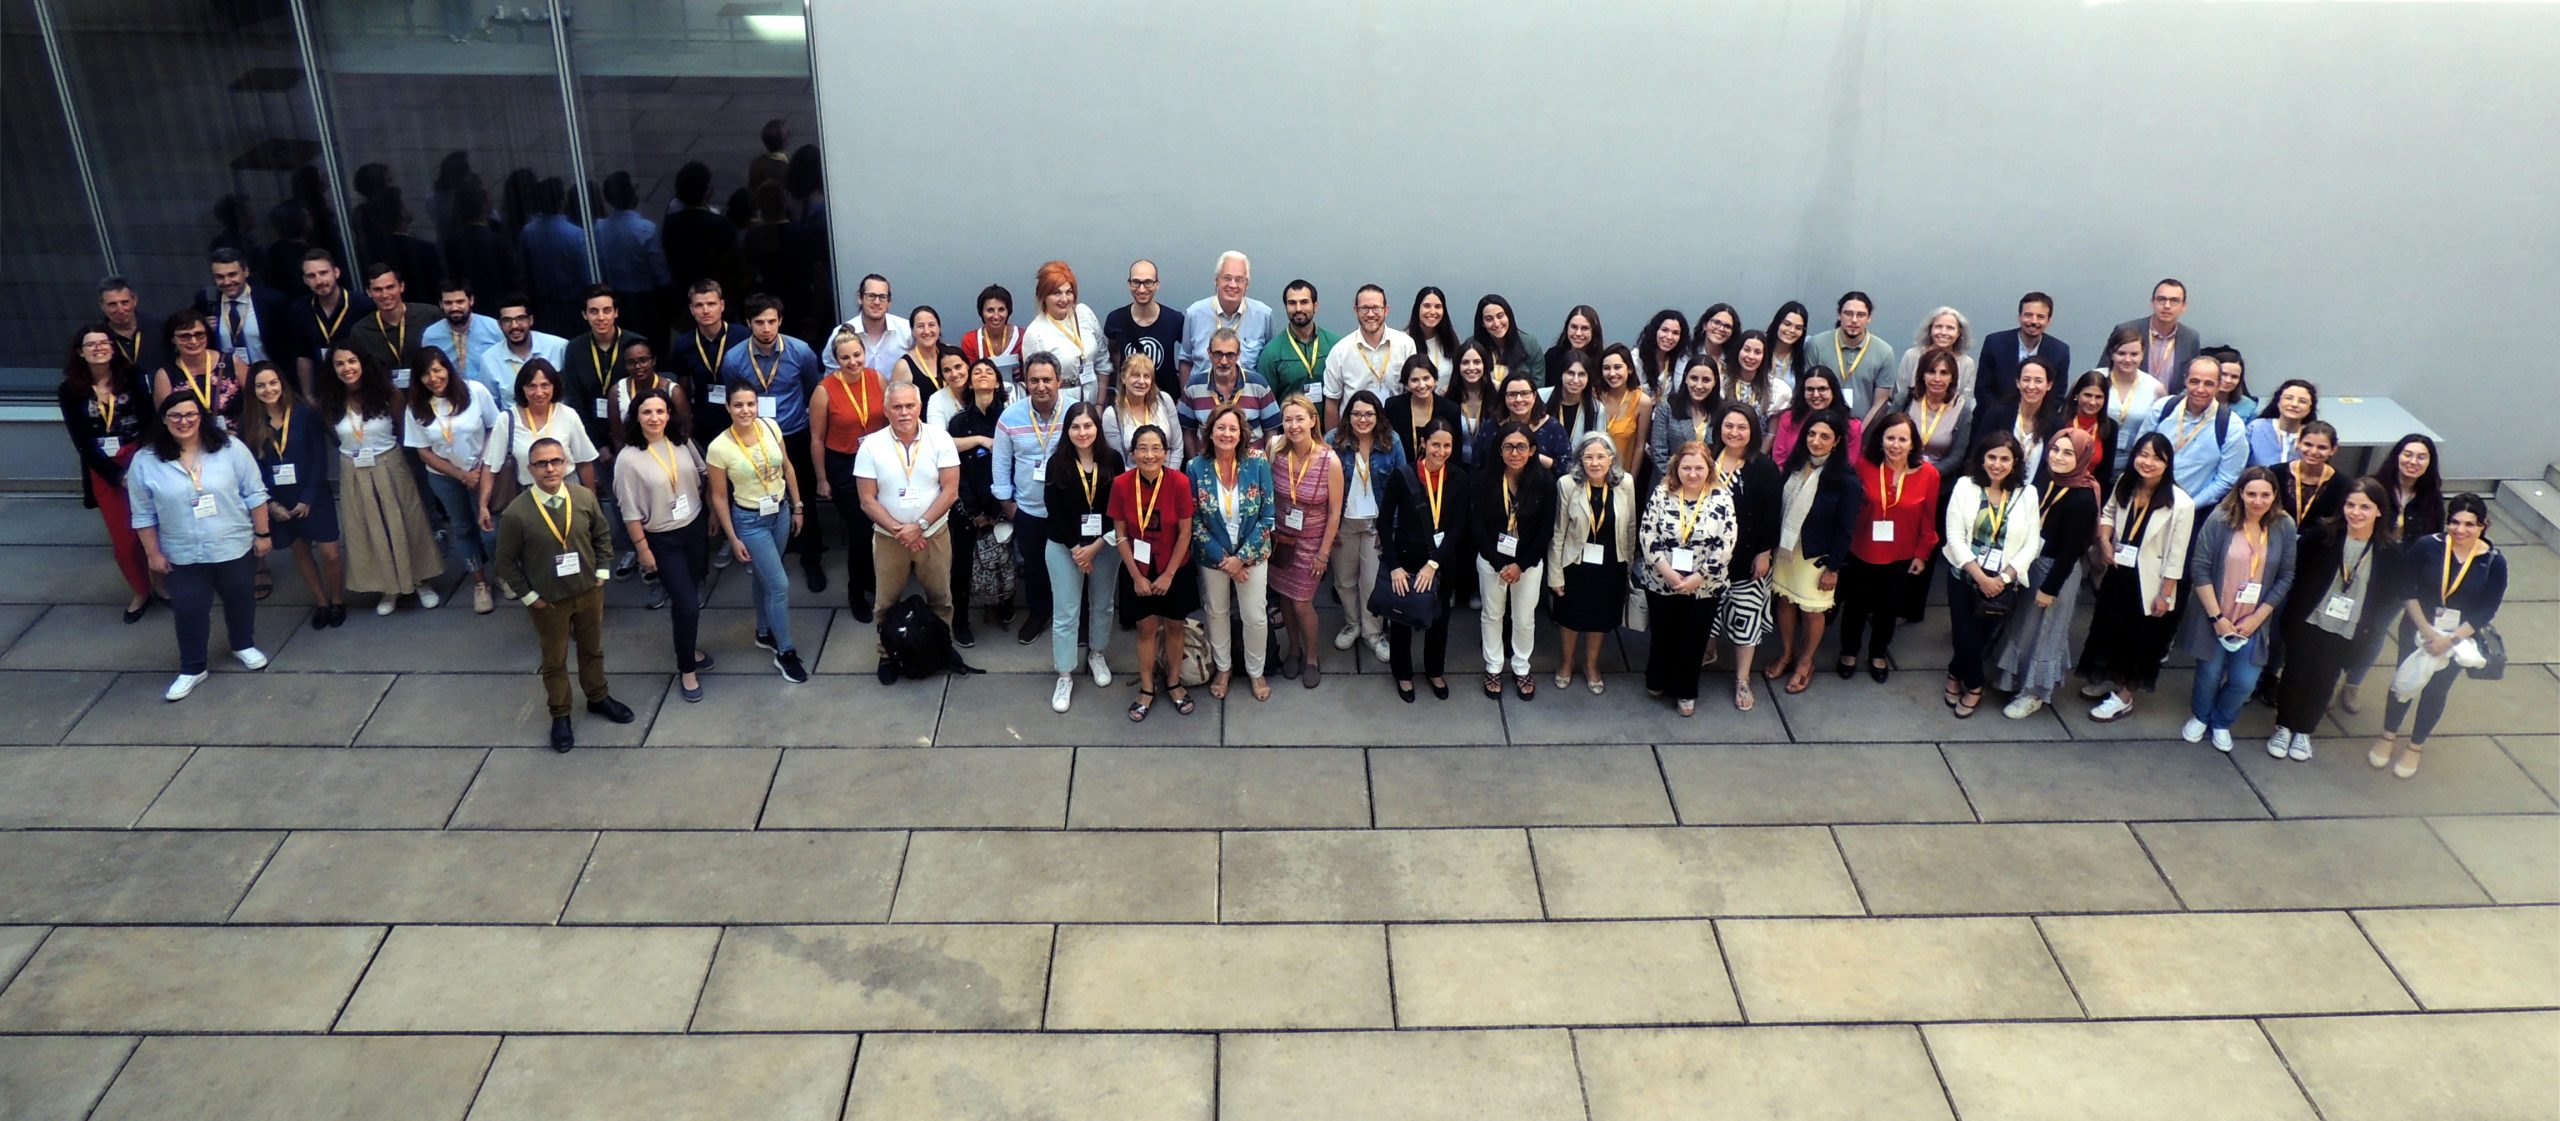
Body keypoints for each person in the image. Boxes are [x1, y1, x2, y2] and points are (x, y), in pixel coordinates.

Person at [127, 390, 272, 701]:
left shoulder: (230, 449)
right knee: (189, 609)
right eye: (175, 416)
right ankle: (193, 668)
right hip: (182, 551)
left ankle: (243, 644)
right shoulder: (146, 460)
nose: (184, 421)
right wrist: (153, 554)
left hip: (232, 544)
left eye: (190, 414)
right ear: (164, 421)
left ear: (201, 417)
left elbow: (255, 494)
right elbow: (142, 514)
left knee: (240, 598)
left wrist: (263, 534)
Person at [491, 436, 633, 750]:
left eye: (555, 461)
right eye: (542, 463)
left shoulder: (583, 497)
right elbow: (505, 562)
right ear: (530, 469)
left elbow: (602, 534)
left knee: (592, 648)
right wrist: (530, 597)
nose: (550, 468)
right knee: (554, 659)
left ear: (565, 464)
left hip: (588, 590)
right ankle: (560, 713)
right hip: (548, 601)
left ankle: (598, 696)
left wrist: (602, 572)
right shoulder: (517, 513)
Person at [2369, 494, 2505, 779]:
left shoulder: (2493, 562)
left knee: (2436, 689)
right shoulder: (2427, 547)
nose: (2461, 530)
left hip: (2459, 637)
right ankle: (2388, 734)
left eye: (2470, 524)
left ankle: (2416, 745)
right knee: (2405, 679)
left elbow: (2486, 609)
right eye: (2455, 522)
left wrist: (2451, 639)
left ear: (2483, 525)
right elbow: (2407, 588)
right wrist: (2428, 632)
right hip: (2419, 626)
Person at [2269, 478, 2398, 761]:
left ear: (2379, 511)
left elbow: (2387, 593)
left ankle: (2304, 731)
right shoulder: (2322, 535)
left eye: (2365, 507)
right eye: (2351, 505)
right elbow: (2297, 571)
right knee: (2295, 674)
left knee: (2325, 678)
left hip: (2348, 627)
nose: (2356, 512)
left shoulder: (2388, 552)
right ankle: (2284, 727)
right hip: (2309, 619)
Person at [2175, 468, 2298, 750]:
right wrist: (2217, 617)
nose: (2258, 501)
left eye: (2265, 495)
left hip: (2253, 620)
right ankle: (2201, 716)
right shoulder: (2220, 520)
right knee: (2209, 673)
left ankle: (2222, 721)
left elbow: (2286, 575)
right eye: (2251, 494)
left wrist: (2258, 617)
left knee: (2245, 681)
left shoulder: (2284, 525)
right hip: (2216, 615)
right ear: (2240, 493)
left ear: (2275, 496)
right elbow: (2200, 568)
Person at [317, 345, 443, 615]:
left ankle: (419, 581)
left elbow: (402, 429)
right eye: (340, 364)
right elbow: (335, 435)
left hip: (389, 462)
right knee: (369, 529)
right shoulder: (328, 401)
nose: (347, 368)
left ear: (362, 362)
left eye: (352, 360)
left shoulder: (388, 394)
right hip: (353, 468)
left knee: (405, 523)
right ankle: (389, 589)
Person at [2078, 433, 2195, 721]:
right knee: (2109, 628)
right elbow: (2107, 513)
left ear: (2168, 464)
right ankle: (2109, 679)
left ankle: (2125, 696)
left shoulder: (2181, 504)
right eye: (2143, 454)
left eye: (2157, 458)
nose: (2148, 462)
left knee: (2138, 639)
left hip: (2151, 581)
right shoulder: (2126, 484)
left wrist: (2165, 594)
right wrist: (2105, 541)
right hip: (2119, 573)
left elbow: (2177, 556)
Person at [855, 382, 963, 683]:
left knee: (941, 597)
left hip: (934, 535)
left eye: (910, 406)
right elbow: (866, 499)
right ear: (886, 409)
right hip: (890, 539)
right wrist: (900, 530)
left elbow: (950, 490)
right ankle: (887, 653)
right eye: (897, 407)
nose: (904, 412)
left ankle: (942, 646)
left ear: (919, 407)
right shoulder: (871, 445)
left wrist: (921, 527)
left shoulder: (940, 439)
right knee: (886, 602)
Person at [1992, 427, 2104, 718]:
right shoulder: (2051, 480)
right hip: (2035, 561)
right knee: (2025, 626)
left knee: (2046, 632)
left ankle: (2034, 694)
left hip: (2056, 573)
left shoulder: (2082, 498)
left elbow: (2071, 551)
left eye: (2068, 453)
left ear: (2082, 457)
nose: (2059, 457)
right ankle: (2014, 678)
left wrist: (2050, 588)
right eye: (2055, 449)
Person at [704, 380, 811, 682]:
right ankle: (786, 652)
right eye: (738, 405)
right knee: (779, 585)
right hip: (750, 521)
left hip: (780, 511)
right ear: (728, 407)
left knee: (765, 578)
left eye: (750, 404)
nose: (745, 410)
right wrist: (733, 536)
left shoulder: (771, 427)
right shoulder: (718, 448)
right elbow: (719, 496)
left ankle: (764, 632)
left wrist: (798, 504)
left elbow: (787, 467)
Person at [615, 389, 715, 702]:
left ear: (669, 414)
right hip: (662, 537)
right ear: (637, 417)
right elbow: (629, 511)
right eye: (647, 412)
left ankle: (689, 646)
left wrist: (710, 513)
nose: (655, 418)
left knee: (693, 593)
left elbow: (703, 475)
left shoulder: (681, 442)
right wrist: (643, 549)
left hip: (694, 528)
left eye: (660, 411)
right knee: (685, 603)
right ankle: (686, 669)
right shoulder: (628, 459)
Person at [719, 295, 825, 589]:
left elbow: (811, 390)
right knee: (766, 492)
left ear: (780, 321)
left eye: (771, 321)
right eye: (759, 322)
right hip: (756, 437)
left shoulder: (800, 351)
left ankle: (811, 559)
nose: (766, 328)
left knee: (802, 497)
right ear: (748, 323)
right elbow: (734, 397)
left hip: (794, 433)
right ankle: (777, 551)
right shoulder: (734, 359)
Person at [1832, 412, 1939, 682]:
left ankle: (1878, 652)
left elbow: (1929, 517)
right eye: (1890, 438)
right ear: (1880, 440)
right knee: (1855, 604)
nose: (1896, 444)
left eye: (1903, 439)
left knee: (1888, 607)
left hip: (1900, 554)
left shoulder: (1929, 474)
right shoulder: (1864, 465)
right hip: (1861, 548)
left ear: (1913, 443)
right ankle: (1849, 651)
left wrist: (1923, 553)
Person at [1940, 433, 2043, 717]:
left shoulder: (2028, 493)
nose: (1997, 464)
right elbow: (1954, 536)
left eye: (2004, 459)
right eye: (1992, 457)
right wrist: (1980, 577)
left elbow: (2032, 543)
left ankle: (1953, 673)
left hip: (2002, 583)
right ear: (1982, 459)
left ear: (2015, 462)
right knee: (1964, 636)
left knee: (1981, 639)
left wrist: (2004, 579)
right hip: (1964, 575)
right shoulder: (1964, 486)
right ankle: (1974, 686)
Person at [61, 326, 159, 621]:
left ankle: (164, 584)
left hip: (139, 456)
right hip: (103, 467)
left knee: (156, 526)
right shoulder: (69, 390)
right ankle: (141, 590)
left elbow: (149, 422)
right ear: (80, 351)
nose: (98, 348)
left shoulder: (132, 376)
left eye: (104, 342)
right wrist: (116, 476)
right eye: (91, 344)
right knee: (124, 539)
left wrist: (138, 465)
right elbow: (82, 442)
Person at [1636, 441, 1738, 716]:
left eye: (1699, 468)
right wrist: (1667, 572)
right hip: (1662, 581)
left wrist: (1699, 577)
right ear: (1676, 468)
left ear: (1709, 469)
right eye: (1686, 468)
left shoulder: (1721, 497)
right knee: (1662, 634)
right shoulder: (1661, 492)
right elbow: (1647, 535)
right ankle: (1656, 679)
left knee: (1693, 639)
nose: (1692, 474)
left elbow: (1726, 543)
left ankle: (1685, 691)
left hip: (1704, 586)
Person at [1765, 410, 1861, 696]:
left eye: (1824, 437)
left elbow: (1846, 529)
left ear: (1837, 442)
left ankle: (1806, 662)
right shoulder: (1795, 466)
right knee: (1784, 603)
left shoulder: (1845, 480)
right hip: (1786, 551)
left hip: (1816, 557)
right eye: (1811, 434)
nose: (1816, 441)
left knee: (1812, 611)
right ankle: (1786, 653)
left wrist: (1834, 567)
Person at [241, 362, 343, 627]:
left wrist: (308, 498)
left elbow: (320, 458)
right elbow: (253, 468)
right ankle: (321, 602)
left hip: (312, 494)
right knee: (300, 552)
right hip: (279, 500)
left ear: (282, 383)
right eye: (261, 385)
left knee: (330, 552)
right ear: (253, 390)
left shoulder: (304, 414)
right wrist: (270, 503)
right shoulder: (250, 423)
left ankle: (337, 600)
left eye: (273, 383)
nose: (268, 389)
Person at [1187, 405, 1277, 701]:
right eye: (1220, 428)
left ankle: (1256, 671)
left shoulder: (1258, 462)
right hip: (1214, 557)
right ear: (1210, 432)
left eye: (1232, 429)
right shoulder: (1195, 467)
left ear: (1242, 435)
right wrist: (1226, 560)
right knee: (1217, 612)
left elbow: (1268, 516)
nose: (1226, 434)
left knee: (1255, 617)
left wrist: (1241, 559)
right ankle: (1223, 668)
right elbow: (1194, 520)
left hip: (1252, 554)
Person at [402, 346, 501, 613]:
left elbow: (494, 427)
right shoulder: (416, 406)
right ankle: (480, 583)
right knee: (463, 529)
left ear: (447, 368)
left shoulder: (475, 391)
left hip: (483, 471)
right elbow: (422, 451)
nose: (433, 378)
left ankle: (504, 574)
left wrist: (480, 467)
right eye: (425, 374)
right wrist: (460, 475)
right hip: (445, 478)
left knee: (490, 528)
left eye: (437, 370)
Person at [1112, 425, 1200, 720]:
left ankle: (1174, 681)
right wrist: (1137, 577)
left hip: (1174, 568)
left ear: (1166, 452)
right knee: (1145, 628)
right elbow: (1121, 534)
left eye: (1156, 448)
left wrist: (1169, 575)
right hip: (1138, 570)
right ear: (1133, 453)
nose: (1149, 455)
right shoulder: (1122, 484)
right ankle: (1147, 687)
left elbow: (1185, 533)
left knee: (1175, 627)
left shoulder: (1180, 482)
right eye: (1142, 449)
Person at [1041, 402, 1123, 711]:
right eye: (1076, 426)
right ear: (1067, 430)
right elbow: (1054, 511)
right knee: (1066, 612)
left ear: (1098, 429)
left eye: (1088, 426)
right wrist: (1077, 549)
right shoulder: (1057, 463)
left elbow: (1119, 506)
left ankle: (1097, 654)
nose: (1082, 432)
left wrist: (1097, 546)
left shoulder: (1113, 460)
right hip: (1065, 547)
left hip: (1103, 546)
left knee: (1102, 605)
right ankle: (1065, 673)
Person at [1380, 421, 1470, 702]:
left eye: (1447, 446)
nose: (1441, 451)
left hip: (1442, 560)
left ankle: (1434, 670)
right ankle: (1403, 674)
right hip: (1406, 557)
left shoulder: (1458, 477)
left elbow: (1459, 525)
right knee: (1402, 617)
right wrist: (1393, 565)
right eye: (1435, 444)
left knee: (1439, 618)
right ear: (1423, 443)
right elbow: (1384, 522)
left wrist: (1434, 564)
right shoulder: (1403, 476)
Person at [478, 359, 601, 557]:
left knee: (574, 544)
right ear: (522, 389)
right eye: (532, 386)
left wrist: (592, 502)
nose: (539, 392)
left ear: (554, 386)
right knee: (537, 551)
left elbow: (584, 462)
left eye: (545, 385)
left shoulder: (568, 415)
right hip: (529, 492)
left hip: (568, 488)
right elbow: (490, 466)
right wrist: (483, 505)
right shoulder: (507, 420)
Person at [1471, 420, 1556, 699]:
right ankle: (1494, 665)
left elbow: (1546, 530)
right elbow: (1478, 526)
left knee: (1523, 619)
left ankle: (1521, 667)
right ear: (1499, 450)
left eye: (1521, 446)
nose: (1514, 452)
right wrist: (1499, 564)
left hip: (1527, 565)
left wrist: (1520, 565)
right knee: (1492, 615)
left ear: (1532, 450)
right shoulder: (1485, 480)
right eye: (1508, 446)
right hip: (1493, 561)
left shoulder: (1544, 482)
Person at [995, 354, 1076, 644]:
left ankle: (1077, 617)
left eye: (1047, 379)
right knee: (1034, 565)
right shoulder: (1010, 417)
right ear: (1026, 383)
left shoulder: (1075, 413)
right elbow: (1001, 464)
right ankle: (1039, 613)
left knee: (1074, 563)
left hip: (1068, 510)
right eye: (1034, 380)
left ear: (1060, 381)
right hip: (1028, 509)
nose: (1041, 386)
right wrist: (1009, 505)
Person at [1706, 404, 1783, 708]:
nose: (1734, 433)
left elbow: (1770, 515)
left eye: (1741, 427)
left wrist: (1764, 553)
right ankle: (1708, 652)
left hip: (1747, 558)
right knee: (1708, 611)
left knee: (1744, 618)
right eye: (1728, 426)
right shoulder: (1707, 459)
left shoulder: (1763, 467)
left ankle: (1742, 679)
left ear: (1752, 432)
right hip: (1708, 558)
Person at [808, 332, 887, 621]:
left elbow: (891, 418)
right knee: (860, 532)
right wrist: (821, 479)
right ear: (835, 359)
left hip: (878, 461)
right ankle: (856, 593)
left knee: (880, 528)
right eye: (845, 357)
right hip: (844, 465)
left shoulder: (877, 378)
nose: (852, 362)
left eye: (857, 355)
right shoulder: (824, 390)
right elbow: (816, 438)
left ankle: (874, 581)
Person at [1894, 348, 1976, 624]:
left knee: (1924, 547)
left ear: (1952, 377)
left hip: (1938, 489)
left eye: (1944, 373)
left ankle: (1910, 609)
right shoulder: (1908, 399)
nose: (1937, 378)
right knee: (1895, 543)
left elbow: (1958, 455)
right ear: (1922, 374)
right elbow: (1889, 432)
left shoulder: (1962, 409)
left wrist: (1925, 475)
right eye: (1931, 371)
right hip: (1899, 482)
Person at [1549, 431, 1636, 693]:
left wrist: (1629, 566)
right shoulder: (1567, 484)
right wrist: (1555, 575)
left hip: (1612, 564)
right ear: (1580, 460)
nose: (1595, 463)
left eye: (1601, 456)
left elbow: (1630, 526)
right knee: (1570, 617)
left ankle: (1591, 665)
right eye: (1589, 457)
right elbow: (1558, 532)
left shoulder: (1626, 483)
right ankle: (1566, 662)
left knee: (1600, 618)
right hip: (1575, 564)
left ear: (1611, 459)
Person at [1268, 397, 1345, 686]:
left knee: (1302, 602)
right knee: (1285, 599)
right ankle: (1294, 649)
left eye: (1300, 419)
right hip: (1281, 540)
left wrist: (1323, 554)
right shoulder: (1274, 450)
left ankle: (1312, 656)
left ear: (1313, 420)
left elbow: (1336, 511)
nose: (1293, 425)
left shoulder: (1329, 460)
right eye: (1288, 420)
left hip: (1312, 542)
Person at [1330, 390, 1404, 663]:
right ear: (1348, 416)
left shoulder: (1391, 441)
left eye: (1369, 414)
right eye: (1357, 414)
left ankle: (1374, 633)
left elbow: (1400, 487)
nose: (1363, 419)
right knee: (1344, 580)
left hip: (1377, 525)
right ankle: (1353, 623)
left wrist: (1392, 530)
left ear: (1378, 416)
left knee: (1372, 581)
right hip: (1343, 524)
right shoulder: (1333, 441)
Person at [2130, 355, 2249, 513]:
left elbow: (2226, 479)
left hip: (2191, 510)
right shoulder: (2163, 408)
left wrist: (2188, 506)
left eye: (2208, 384)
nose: (2200, 389)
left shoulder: (2231, 426)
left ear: (2219, 385)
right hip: (2144, 500)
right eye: (2194, 381)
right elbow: (2139, 451)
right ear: (2185, 380)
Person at [1321, 285, 1414, 429]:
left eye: (1376, 308)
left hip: (1395, 431)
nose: (1370, 314)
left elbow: (1412, 394)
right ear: (1355, 310)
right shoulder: (1340, 351)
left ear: (1386, 310)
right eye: (1364, 308)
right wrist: (1333, 444)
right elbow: (1332, 402)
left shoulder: (1405, 345)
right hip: (1353, 435)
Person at [1177, 327, 1278, 456]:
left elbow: (1271, 431)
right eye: (1218, 354)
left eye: (1230, 355)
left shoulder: (1258, 385)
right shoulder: (1193, 387)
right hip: (1208, 465)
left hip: (1251, 465)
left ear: (1238, 355)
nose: (1224, 361)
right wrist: (1193, 465)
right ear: (1209, 353)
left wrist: (1265, 465)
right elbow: (1188, 432)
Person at [1023, 261, 1110, 401]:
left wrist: (1100, 406)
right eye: (1056, 293)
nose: (1064, 299)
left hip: (1092, 403)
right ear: (1043, 296)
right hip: (1059, 405)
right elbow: (1035, 383)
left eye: (1069, 292)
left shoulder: (1084, 314)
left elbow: (1103, 362)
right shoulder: (1035, 333)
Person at [1178, 251, 1274, 379]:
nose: (1232, 285)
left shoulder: (1263, 316)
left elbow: (1268, 364)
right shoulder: (1194, 314)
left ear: (1247, 285)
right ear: (1216, 280)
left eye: (1239, 280)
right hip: (1203, 395)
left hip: (1247, 396)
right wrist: (1187, 396)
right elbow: (1186, 361)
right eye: (1227, 278)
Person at [671, 281, 746, 433]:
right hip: (703, 416)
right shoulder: (683, 344)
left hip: (741, 412)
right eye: (699, 305)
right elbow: (683, 384)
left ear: (722, 305)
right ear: (691, 309)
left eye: (711, 304)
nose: (705, 310)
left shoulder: (742, 336)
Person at [1975, 292, 2070, 412]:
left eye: (2040, 317)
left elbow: (2057, 395)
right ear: (2019, 317)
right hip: (1993, 419)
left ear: (2048, 321)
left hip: (2038, 422)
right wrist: (2002, 417)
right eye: (2028, 315)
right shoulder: (1994, 343)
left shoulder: (2060, 351)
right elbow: (1983, 389)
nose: (2034, 321)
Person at [1807, 292, 1896, 417]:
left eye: (1861, 315)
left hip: (1863, 428)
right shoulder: (1816, 345)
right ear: (1839, 315)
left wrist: (1862, 432)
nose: (1854, 320)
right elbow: (1808, 392)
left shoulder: (1884, 352)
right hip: (1822, 427)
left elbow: (1880, 403)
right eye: (1848, 314)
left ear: (1869, 318)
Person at [350, 265, 439, 389]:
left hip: (429, 390)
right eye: (377, 289)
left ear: (401, 287)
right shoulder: (360, 331)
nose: (385, 294)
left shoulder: (430, 315)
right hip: (387, 397)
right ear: (369, 292)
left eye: (390, 287)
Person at [2109, 278, 2202, 394]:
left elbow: (2193, 378)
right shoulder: (2126, 330)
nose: (2167, 306)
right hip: (2129, 405)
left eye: (2174, 301)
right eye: (2161, 299)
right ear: (2152, 303)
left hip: (2170, 408)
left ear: (2184, 306)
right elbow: (2105, 371)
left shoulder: (2190, 338)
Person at [197, 248, 287, 367]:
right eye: (220, 277)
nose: (227, 282)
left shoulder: (272, 301)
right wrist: (204, 327)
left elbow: (288, 346)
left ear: (246, 272)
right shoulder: (207, 302)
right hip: (227, 379)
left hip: (267, 376)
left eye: (232, 275)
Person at [153, 310, 242, 428]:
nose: (193, 341)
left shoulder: (232, 362)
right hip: (192, 440)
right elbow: (166, 419)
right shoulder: (165, 375)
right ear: (172, 339)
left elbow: (254, 403)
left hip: (237, 437)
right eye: (184, 336)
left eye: (199, 334)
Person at [1977, 355, 2063, 476]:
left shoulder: (2056, 425)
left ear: (2049, 385)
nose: (2031, 386)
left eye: (2038, 381)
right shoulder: (1997, 415)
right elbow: (1978, 454)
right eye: (2026, 379)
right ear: (2018, 382)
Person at [2094, 325, 2163, 472]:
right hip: (2093, 461)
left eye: (2134, 354)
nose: (2127, 359)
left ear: (2143, 354)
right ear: (2111, 353)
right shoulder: (2095, 379)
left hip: (2133, 467)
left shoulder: (2155, 388)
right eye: (2121, 353)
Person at [473, 295, 569, 403]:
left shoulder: (558, 347)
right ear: (499, 325)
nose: (514, 326)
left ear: (531, 320)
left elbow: (572, 391)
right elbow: (492, 403)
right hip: (515, 419)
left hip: (556, 417)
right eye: (507, 320)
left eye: (520, 319)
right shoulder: (489, 359)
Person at [419, 279, 502, 395]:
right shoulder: (431, 335)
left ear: (471, 300)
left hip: (490, 397)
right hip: (451, 399)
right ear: (441, 304)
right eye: (448, 303)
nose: (454, 308)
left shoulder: (493, 328)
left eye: (460, 302)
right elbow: (427, 371)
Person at [1256, 280, 1334, 404]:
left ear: (1315, 306)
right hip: (1290, 423)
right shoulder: (1271, 353)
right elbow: (1266, 405)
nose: (1298, 308)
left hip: (1329, 423)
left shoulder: (1335, 346)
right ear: (1286, 307)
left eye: (1304, 302)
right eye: (1292, 303)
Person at [1105, 353, 1185, 473]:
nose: (1141, 381)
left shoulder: (1165, 400)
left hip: (1168, 477)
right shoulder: (1112, 415)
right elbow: (1118, 462)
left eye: (1146, 376)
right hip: (1133, 483)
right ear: (1123, 378)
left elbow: (1177, 446)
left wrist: (1168, 479)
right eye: (1135, 375)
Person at [1475, 374, 1569, 473]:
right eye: (1512, 394)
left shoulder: (1553, 427)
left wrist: (1538, 458)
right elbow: (1477, 466)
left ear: (1535, 396)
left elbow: (1567, 468)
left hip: (1542, 486)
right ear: (1504, 397)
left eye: (1525, 393)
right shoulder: (1491, 426)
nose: (1519, 399)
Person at [1104, 262, 1183, 379]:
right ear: (1129, 284)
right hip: (1128, 396)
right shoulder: (1115, 319)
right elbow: (1113, 352)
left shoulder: (1174, 320)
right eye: (1136, 282)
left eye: (1148, 282)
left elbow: (1188, 357)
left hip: (1165, 395)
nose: (1141, 289)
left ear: (1157, 285)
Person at [1886, 307, 1977, 408]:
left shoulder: (1967, 363)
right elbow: (1899, 393)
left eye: (1950, 328)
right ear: (1930, 330)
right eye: (1938, 326)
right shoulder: (1912, 356)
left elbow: (1965, 402)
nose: (1943, 332)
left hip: (1950, 419)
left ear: (1959, 333)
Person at [1768, 367, 1859, 468]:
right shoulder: (1788, 419)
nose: (1815, 395)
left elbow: (1848, 465)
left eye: (1822, 389)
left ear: (1833, 391)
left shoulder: (1852, 426)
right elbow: (1779, 461)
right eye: (1810, 389)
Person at [825, 273, 912, 377]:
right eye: (871, 296)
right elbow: (832, 376)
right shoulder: (840, 334)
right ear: (860, 298)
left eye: (882, 297)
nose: (876, 302)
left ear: (889, 302)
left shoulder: (906, 330)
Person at [1385, 354, 1462, 463]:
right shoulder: (1393, 407)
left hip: (1440, 474)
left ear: (1435, 380)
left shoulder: (1451, 410)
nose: (1421, 385)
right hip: (1403, 474)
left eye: (1426, 378)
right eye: (1415, 380)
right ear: (1406, 383)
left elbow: (1455, 452)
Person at [1649, 362, 1721, 477]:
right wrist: (1681, 481)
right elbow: (1659, 452)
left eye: (1706, 380)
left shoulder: (1722, 411)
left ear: (1715, 382)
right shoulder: (1667, 406)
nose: (1699, 385)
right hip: (1668, 481)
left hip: (1709, 484)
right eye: (1694, 378)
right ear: (1686, 378)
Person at [2272, 422, 2347, 530]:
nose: (2313, 451)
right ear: (2298, 443)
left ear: (2333, 450)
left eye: (2322, 447)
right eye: (2308, 444)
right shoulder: (2276, 473)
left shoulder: (2342, 485)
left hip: (2317, 545)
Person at [2062, 369, 2124, 491]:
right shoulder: (2059, 422)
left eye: (2099, 397)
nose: (2092, 402)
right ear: (2076, 395)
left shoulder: (2110, 428)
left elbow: (2106, 471)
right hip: (2055, 488)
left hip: (2087, 494)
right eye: (2088, 395)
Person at [1594, 345, 1652, 472]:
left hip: (1620, 475)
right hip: (1591, 472)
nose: (1612, 373)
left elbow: (1639, 445)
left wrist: (1632, 480)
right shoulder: (1595, 395)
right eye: (1606, 368)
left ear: (1630, 369)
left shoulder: (1642, 401)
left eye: (1617, 367)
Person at [100, 276, 168, 379]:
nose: (120, 309)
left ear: (135, 300)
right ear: (102, 306)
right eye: (112, 304)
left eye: (125, 302)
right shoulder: (97, 337)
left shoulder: (160, 328)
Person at [1447, 340, 1500, 470]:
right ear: (1458, 366)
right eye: (1465, 362)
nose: (1471, 368)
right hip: (1456, 467)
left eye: (1477, 362)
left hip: (1491, 467)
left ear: (1485, 365)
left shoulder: (1499, 391)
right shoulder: (1447, 394)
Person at [962, 284, 1027, 386]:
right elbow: (969, 378)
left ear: (1008, 311)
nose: (996, 316)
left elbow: (1029, 374)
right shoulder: (970, 340)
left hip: (1018, 397)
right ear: (981, 312)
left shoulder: (1023, 337)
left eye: (1001, 310)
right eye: (990, 310)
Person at [2246, 379, 2321, 467]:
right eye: (2289, 398)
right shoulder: (2257, 427)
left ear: (2310, 408)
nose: (2294, 404)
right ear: (2278, 402)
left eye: (2302, 401)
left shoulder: (2312, 436)